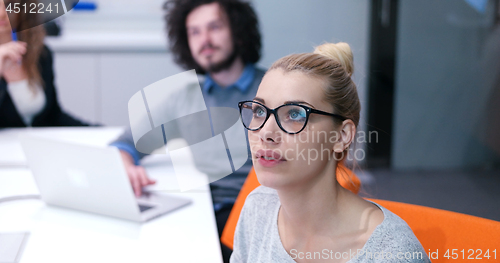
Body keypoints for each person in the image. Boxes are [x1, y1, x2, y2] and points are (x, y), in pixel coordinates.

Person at [231, 42, 430, 262]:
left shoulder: (391, 253)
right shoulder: (257, 207)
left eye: (295, 114)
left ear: (342, 136)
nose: (266, 133)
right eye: (259, 111)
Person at [109, 0, 263, 261]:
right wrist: (126, 164)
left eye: (214, 27)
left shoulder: (274, 88)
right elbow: (126, 141)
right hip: (206, 213)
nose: (205, 39)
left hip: (263, 212)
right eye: (194, 32)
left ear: (237, 30)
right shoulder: (184, 100)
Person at [0, 0, 89, 127]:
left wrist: (102, 133)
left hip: (33, 145)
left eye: (11, 6)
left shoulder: (39, 53)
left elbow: (53, 116)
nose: (2, 13)